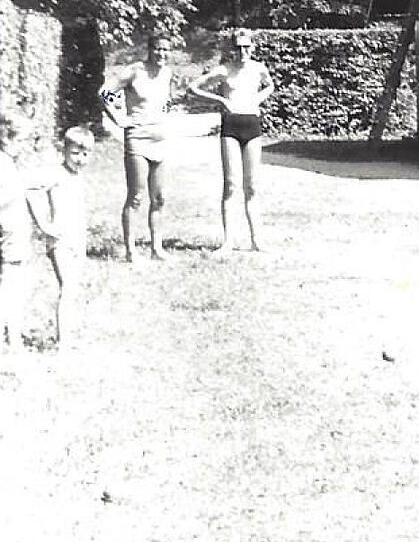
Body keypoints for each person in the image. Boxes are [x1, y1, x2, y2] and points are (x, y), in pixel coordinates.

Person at [188, 28, 275, 255]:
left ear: (253, 48)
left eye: (246, 47)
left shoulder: (259, 69)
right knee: (231, 184)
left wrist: (259, 98)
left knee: (252, 185)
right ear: (232, 49)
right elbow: (193, 88)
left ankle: (257, 240)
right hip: (231, 127)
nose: (242, 51)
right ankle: (228, 242)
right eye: (238, 47)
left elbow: (271, 85)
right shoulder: (224, 70)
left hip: (252, 126)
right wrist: (219, 100)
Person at [101, 33, 173, 262]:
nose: (161, 54)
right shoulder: (135, 71)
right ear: (149, 49)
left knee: (159, 197)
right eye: (158, 49)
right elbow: (104, 93)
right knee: (136, 196)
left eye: (166, 50)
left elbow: (164, 102)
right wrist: (119, 119)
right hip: (137, 139)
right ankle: (131, 250)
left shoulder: (167, 73)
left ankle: (157, 248)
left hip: (159, 139)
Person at [27, 126, 94, 348]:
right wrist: (44, 224)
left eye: (86, 154)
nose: (80, 159)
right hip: (60, 241)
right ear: (63, 150)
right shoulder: (56, 174)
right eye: (75, 153)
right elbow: (31, 189)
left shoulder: (79, 177)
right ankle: (64, 340)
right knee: (68, 287)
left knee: (74, 287)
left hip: (77, 239)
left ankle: (70, 334)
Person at [0, 111, 34, 354]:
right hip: (10, 237)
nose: (25, 146)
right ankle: (12, 339)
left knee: (15, 285)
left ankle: (12, 334)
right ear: (6, 138)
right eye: (22, 140)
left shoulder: (8, 163)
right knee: (12, 288)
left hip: (15, 235)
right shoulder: (3, 165)